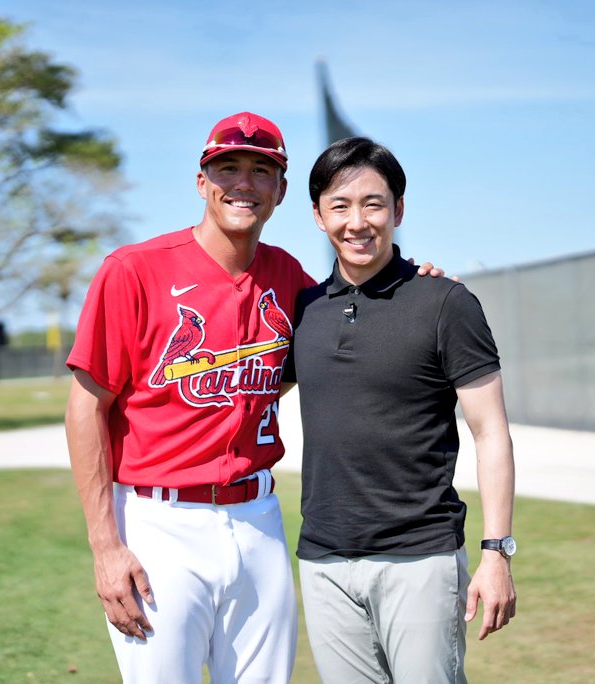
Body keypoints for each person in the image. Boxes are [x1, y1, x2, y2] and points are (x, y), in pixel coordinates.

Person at [64, 113, 443, 683]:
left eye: (261, 171)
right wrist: (105, 546)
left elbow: (357, 318)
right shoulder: (134, 271)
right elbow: (85, 406)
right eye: (228, 168)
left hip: (258, 518)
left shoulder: (289, 278)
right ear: (202, 181)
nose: (244, 183)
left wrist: (420, 282)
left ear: (281, 191)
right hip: (159, 521)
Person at [284, 136, 518, 683]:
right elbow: (242, 398)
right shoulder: (304, 311)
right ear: (318, 216)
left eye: (373, 204)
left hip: (421, 559)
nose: (357, 222)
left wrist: (496, 552)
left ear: (398, 210)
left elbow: (491, 433)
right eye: (340, 206)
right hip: (323, 563)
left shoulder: (445, 303)